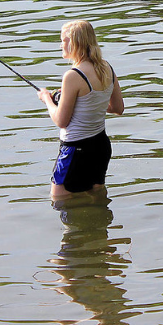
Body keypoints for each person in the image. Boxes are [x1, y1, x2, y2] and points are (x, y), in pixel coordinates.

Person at [37, 20, 124, 202]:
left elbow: (61, 120)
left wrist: (46, 98)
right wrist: (85, 104)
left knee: (59, 202)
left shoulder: (73, 75)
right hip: (101, 147)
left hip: (75, 150)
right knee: (97, 199)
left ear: (76, 43)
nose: (61, 44)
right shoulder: (107, 68)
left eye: (64, 40)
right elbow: (118, 108)